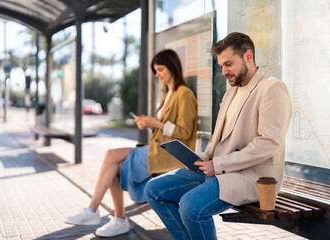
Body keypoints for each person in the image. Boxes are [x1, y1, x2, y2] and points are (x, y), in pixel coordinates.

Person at [144, 32, 292, 240]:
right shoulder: (231, 92)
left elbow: (268, 143)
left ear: (248, 56)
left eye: (228, 64)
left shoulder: (272, 88)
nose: (224, 71)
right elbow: (218, 139)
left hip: (251, 176)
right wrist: (201, 159)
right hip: (219, 169)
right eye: (221, 65)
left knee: (190, 207)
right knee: (153, 190)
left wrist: (219, 164)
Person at [65, 49, 198, 237]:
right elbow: (165, 130)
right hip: (158, 150)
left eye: (160, 69)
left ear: (172, 67)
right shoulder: (167, 94)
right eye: (156, 71)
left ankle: (96, 211)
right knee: (115, 167)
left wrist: (155, 123)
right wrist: (149, 124)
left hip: (170, 155)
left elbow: (184, 132)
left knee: (111, 156)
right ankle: (116, 219)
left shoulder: (184, 94)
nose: (158, 74)